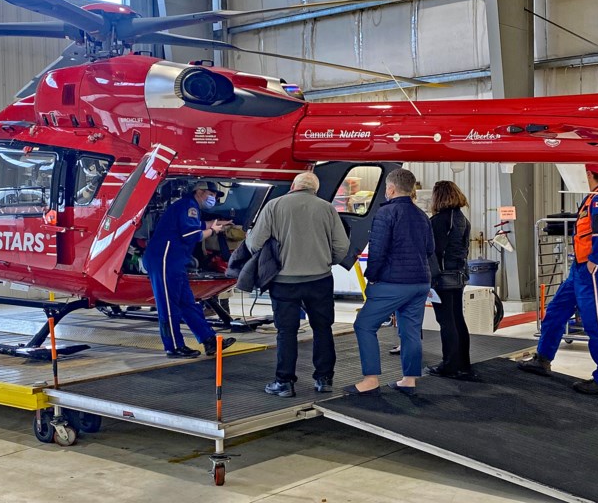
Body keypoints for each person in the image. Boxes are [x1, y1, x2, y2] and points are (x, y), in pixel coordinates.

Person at [247, 172, 350, 397]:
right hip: (319, 280)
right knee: (323, 328)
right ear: (315, 189)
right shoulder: (327, 208)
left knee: (286, 332)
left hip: (284, 282)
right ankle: (324, 379)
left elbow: (255, 244)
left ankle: (284, 382)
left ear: (294, 185)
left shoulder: (274, 206)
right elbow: (342, 246)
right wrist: (326, 260)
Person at [519, 164, 598, 395]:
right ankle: (542, 358)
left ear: (587, 174)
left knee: (595, 323)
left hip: (593, 267)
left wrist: (594, 260)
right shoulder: (590, 199)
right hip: (580, 268)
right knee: (555, 311)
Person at [347, 168, 434, 396]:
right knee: (410, 331)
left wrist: (372, 278)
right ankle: (409, 379)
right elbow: (430, 249)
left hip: (393, 282)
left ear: (391, 189)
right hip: (421, 282)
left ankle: (370, 379)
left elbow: (377, 250)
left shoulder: (386, 213)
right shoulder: (422, 215)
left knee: (364, 325)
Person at [144, 181, 236, 358]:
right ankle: (173, 347)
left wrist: (215, 223)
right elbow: (192, 234)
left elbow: (198, 225)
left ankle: (208, 340)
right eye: (213, 194)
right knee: (169, 306)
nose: (215, 198)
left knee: (188, 303)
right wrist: (214, 230)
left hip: (173, 262)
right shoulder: (189, 205)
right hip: (165, 260)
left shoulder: (189, 207)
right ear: (199, 192)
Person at [426, 180, 476, 381]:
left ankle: (449, 365)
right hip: (459, 275)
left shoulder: (438, 221)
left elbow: (433, 252)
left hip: (442, 278)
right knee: (458, 319)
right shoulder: (462, 219)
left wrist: (430, 279)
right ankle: (464, 363)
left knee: (446, 322)